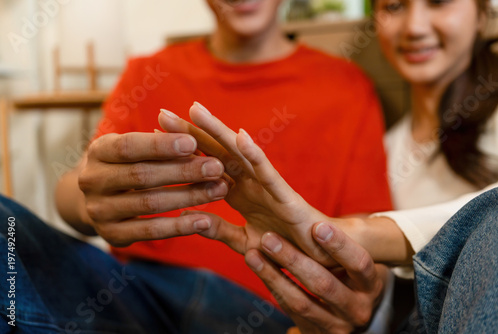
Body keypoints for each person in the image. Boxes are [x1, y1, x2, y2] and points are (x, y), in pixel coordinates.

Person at [0, 0, 392, 332]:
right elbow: (76, 186)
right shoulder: (147, 73)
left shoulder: (345, 88)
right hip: (134, 295)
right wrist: (88, 202)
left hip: (263, 311)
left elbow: (370, 244)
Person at [155, 0, 498, 331]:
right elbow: (381, 307)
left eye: (439, 2)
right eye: (394, 6)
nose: (415, 27)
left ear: (483, 12)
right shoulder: (387, 153)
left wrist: (365, 232)